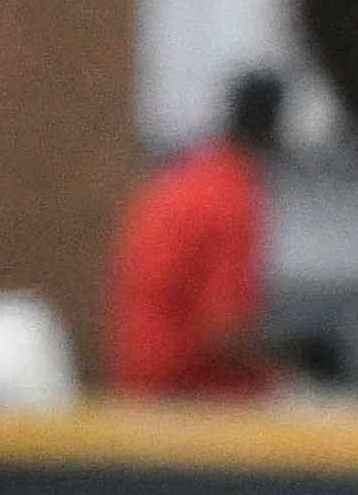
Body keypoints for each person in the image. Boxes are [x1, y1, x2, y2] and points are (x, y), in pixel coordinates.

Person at [109, 68, 286, 397]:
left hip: (134, 383)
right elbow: (223, 332)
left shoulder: (183, 179)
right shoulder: (232, 196)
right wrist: (289, 362)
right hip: (187, 395)